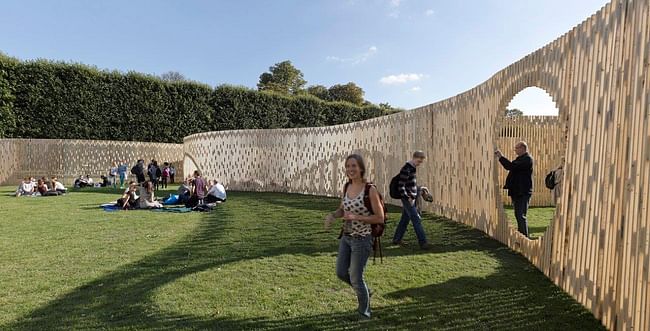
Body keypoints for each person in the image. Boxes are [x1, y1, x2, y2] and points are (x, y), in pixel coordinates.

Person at [324, 154, 384, 319]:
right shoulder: (346, 187)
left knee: (356, 277)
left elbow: (380, 218)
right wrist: (332, 216)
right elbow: (342, 210)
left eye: (354, 166)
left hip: (363, 239)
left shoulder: (369, 190)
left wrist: (357, 217)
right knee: (341, 272)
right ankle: (364, 291)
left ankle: (364, 313)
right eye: (348, 166)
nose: (351, 169)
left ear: (361, 168)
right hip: (347, 237)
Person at [391, 150, 430, 249]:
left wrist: (420, 189)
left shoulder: (412, 168)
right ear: (415, 158)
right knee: (416, 219)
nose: (420, 164)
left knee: (405, 219)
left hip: (411, 197)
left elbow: (410, 184)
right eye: (419, 161)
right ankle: (423, 242)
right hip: (408, 199)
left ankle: (397, 239)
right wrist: (407, 197)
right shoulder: (407, 169)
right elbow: (401, 185)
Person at [495, 141, 534, 238]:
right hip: (518, 191)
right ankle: (522, 235)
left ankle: (524, 236)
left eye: (516, 148)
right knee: (518, 214)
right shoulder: (521, 159)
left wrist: (501, 157)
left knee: (520, 214)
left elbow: (511, 166)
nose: (515, 150)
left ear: (522, 148)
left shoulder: (527, 159)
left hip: (523, 191)